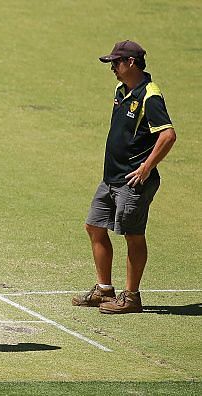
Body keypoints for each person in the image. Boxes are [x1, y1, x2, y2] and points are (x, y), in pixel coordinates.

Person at [73, 41, 177, 314]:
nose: (112, 69)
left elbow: (168, 135)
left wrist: (146, 168)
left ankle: (131, 297)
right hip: (111, 178)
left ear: (131, 62)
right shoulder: (121, 91)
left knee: (133, 235)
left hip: (133, 181)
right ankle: (104, 289)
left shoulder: (150, 95)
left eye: (115, 63)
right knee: (94, 226)